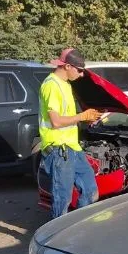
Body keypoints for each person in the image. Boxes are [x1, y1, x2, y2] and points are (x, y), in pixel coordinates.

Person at [39, 48, 101, 219]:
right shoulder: (52, 85)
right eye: (79, 70)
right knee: (62, 199)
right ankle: (56, 237)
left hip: (72, 148)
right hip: (59, 150)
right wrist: (82, 116)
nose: (81, 75)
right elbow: (56, 121)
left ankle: (78, 227)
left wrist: (85, 118)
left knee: (90, 191)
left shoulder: (65, 85)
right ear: (67, 66)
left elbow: (68, 117)